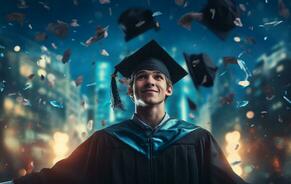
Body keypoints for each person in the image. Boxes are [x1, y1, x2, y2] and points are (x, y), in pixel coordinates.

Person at [1, 40, 249, 184]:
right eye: (141, 77)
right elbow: (58, 178)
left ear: (169, 89)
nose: (150, 81)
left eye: (158, 77)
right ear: (131, 91)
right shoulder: (106, 141)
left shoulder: (197, 139)